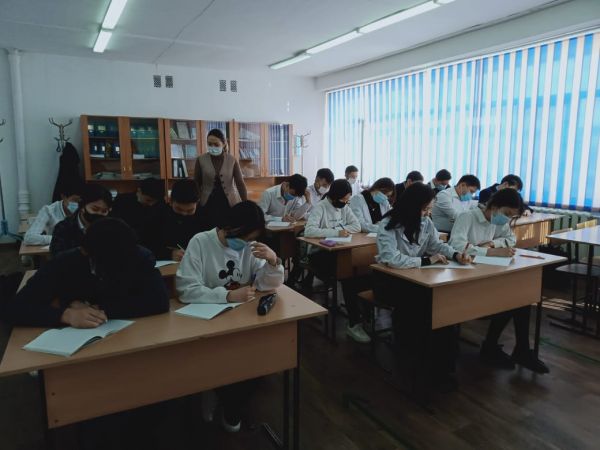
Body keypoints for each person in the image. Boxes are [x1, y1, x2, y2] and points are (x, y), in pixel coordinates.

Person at [176, 201, 283, 432]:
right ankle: (220, 395)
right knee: (219, 360)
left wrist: (273, 261)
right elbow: (186, 290)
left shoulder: (250, 246)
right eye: (242, 238)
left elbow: (267, 285)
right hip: (209, 321)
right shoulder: (201, 242)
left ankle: (229, 403)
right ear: (227, 227)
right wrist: (226, 296)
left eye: (250, 239)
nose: (245, 244)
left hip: (243, 320)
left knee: (260, 361)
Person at [375, 183, 471, 390]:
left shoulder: (425, 222)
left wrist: (455, 254)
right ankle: (416, 361)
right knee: (425, 308)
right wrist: (426, 261)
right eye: (425, 209)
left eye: (429, 209)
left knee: (441, 308)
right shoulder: (388, 224)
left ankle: (441, 365)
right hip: (390, 280)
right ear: (412, 206)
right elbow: (391, 258)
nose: (428, 213)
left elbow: (437, 245)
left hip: (417, 278)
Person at [448, 189, 548, 373]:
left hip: (486, 273)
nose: (507, 219)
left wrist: (493, 243)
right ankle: (492, 346)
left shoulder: (497, 220)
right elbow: (456, 246)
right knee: (509, 298)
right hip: (463, 277)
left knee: (521, 298)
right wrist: (490, 252)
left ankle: (520, 349)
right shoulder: (467, 217)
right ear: (494, 206)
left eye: (511, 216)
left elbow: (511, 239)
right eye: (507, 213)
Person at [3, 218, 170, 328]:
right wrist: (66, 315)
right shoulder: (65, 263)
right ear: (86, 252)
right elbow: (15, 310)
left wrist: (99, 308)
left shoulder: (138, 256)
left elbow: (159, 301)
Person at [304, 179, 366, 342]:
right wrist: (336, 232)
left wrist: (340, 230)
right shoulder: (321, 207)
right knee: (348, 277)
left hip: (340, 251)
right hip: (319, 254)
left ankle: (363, 317)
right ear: (334, 196)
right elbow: (309, 231)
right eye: (343, 199)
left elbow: (357, 226)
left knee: (359, 271)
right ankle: (354, 323)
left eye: (347, 200)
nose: (345, 203)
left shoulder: (344, 207)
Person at [144, 179, 210, 262]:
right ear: (170, 201)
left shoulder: (204, 215)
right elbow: (146, 244)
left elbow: (210, 243)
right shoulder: (157, 214)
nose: (184, 214)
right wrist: (169, 254)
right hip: (167, 264)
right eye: (179, 209)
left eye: (190, 210)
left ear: (197, 202)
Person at [194, 129, 247, 228]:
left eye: (216, 144)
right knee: (208, 230)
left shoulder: (232, 160)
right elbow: (196, 183)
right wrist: (195, 202)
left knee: (229, 230)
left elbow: (240, 183)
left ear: (224, 144)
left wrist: (245, 204)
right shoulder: (201, 160)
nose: (212, 147)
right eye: (209, 144)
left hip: (229, 203)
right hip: (207, 203)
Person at [50, 184, 112, 257]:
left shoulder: (110, 227)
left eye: (104, 211)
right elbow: (56, 257)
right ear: (82, 207)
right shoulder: (63, 227)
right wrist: (81, 251)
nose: (99, 214)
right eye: (95, 209)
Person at [24, 179, 83, 245]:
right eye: (75, 200)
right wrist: (60, 239)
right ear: (63, 196)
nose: (78, 205)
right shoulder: (49, 211)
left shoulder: (84, 210)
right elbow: (29, 238)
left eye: (80, 201)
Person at [110, 177, 167, 242]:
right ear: (139, 191)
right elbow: (116, 225)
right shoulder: (122, 201)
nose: (151, 204)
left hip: (152, 241)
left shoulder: (159, 204)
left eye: (154, 202)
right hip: (126, 239)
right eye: (148, 200)